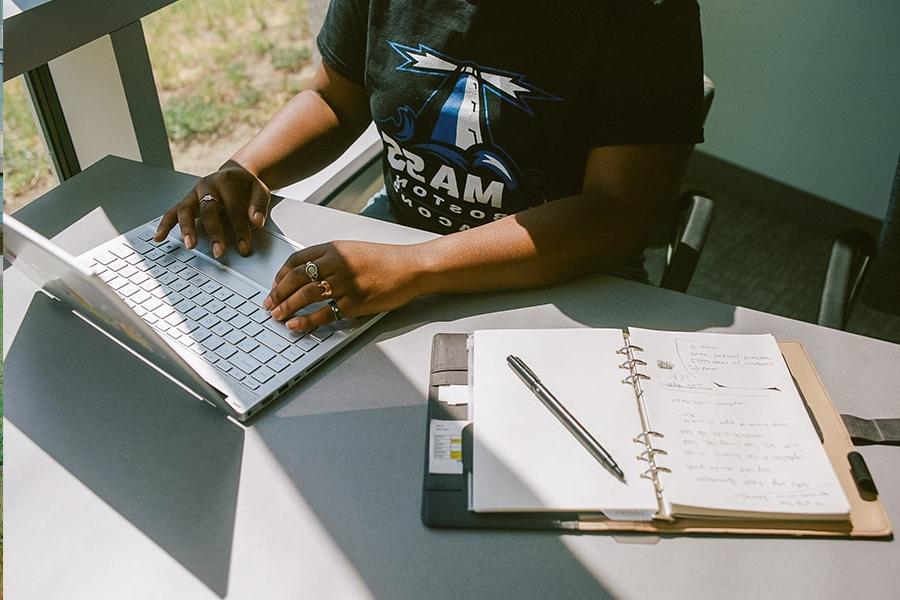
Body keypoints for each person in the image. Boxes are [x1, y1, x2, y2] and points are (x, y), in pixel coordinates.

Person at [155, 0, 704, 332]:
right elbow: (334, 98)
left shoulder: (644, 14)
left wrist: (417, 268)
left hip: (567, 274)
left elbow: (618, 213)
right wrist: (247, 169)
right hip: (397, 240)